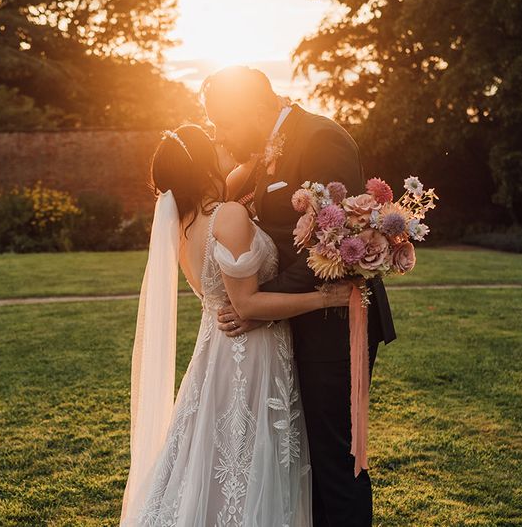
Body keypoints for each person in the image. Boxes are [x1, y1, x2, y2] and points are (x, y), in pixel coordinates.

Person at [120, 124, 356, 526]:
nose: (222, 142)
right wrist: (325, 297)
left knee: (214, 456)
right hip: (250, 353)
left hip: (215, 352)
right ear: (203, 162)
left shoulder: (183, 227)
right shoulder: (227, 215)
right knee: (249, 455)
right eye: (212, 142)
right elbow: (246, 303)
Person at [203, 66, 397, 527]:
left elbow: (335, 241)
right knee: (308, 461)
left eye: (224, 123)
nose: (221, 134)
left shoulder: (320, 138)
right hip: (302, 324)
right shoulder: (270, 148)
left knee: (336, 463)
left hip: (336, 325)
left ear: (253, 108)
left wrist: (257, 304)